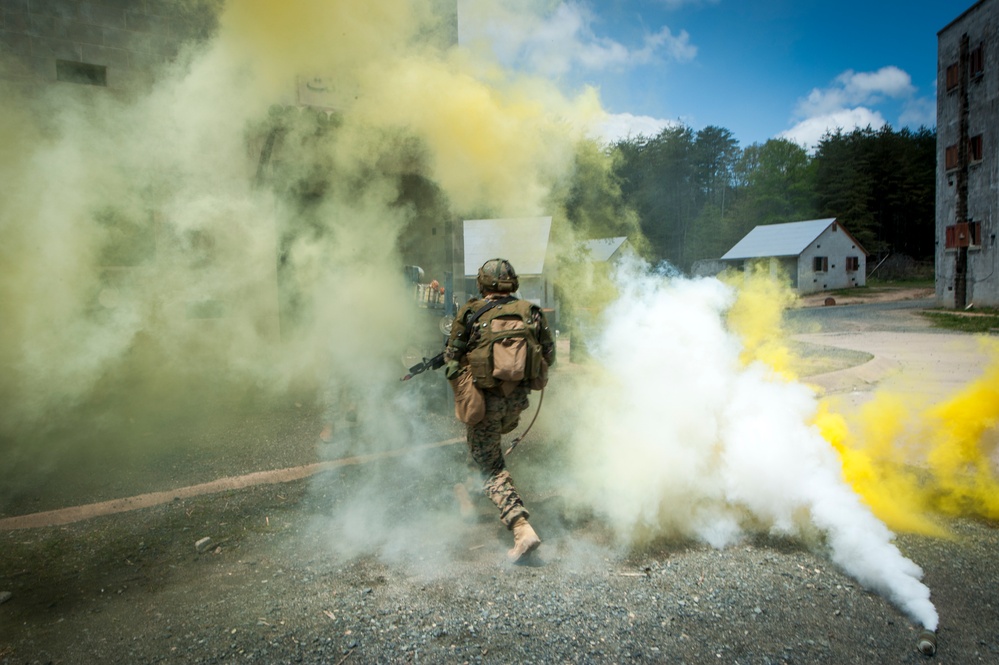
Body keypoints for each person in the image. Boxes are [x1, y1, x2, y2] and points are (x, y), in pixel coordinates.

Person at [443, 258, 556, 562]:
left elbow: (451, 355)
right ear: (512, 283)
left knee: (490, 464)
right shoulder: (531, 312)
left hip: (485, 403)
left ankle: (521, 528)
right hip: (516, 404)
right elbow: (549, 353)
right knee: (484, 449)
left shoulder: (471, 312)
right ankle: (465, 496)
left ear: (482, 283)